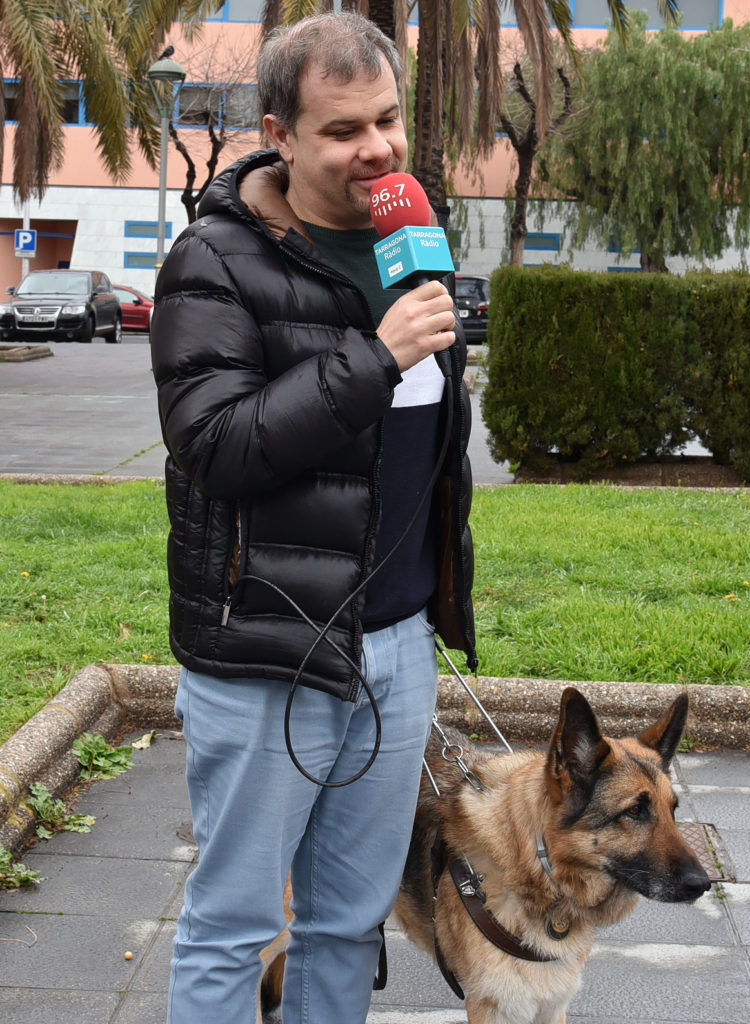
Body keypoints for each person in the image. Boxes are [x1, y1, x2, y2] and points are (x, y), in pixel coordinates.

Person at [150, 12, 476, 1024]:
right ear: (281, 135)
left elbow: (423, 460)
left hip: (397, 649)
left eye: (387, 120)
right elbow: (218, 445)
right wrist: (375, 356)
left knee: (349, 920)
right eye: (342, 131)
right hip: (265, 653)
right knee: (233, 923)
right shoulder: (212, 262)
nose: (375, 148)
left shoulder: (413, 244)